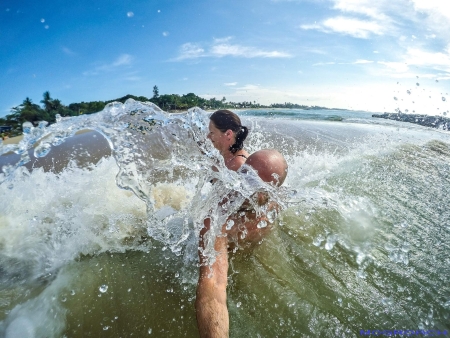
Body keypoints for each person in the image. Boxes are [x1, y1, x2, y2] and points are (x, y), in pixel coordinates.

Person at [195, 110, 288, 338]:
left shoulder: (220, 221)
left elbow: (213, 286)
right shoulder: (273, 205)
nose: (244, 182)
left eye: (212, 132)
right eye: (245, 175)